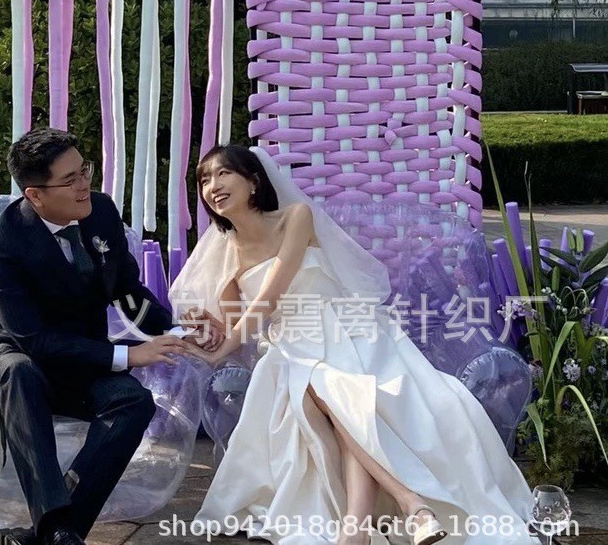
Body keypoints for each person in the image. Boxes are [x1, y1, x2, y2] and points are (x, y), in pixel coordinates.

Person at [170, 145, 537, 545]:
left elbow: (270, 297)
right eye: (204, 180)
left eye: (223, 174)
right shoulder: (225, 253)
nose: (213, 186)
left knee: (329, 389)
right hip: (291, 344)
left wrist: (223, 345)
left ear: (254, 182)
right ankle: (403, 508)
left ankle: (370, 523)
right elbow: (236, 324)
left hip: (349, 330)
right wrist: (207, 332)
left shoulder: (295, 217)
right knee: (328, 390)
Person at [0, 129, 213, 545]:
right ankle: (57, 530)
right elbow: (33, 340)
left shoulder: (101, 212)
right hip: (13, 353)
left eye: (85, 171)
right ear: (35, 195)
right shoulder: (1, 244)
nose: (84, 185)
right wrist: (129, 356)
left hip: (80, 357)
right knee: (21, 372)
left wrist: (174, 331)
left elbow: (125, 290)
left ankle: (54, 532)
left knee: (133, 401)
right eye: (70, 179)